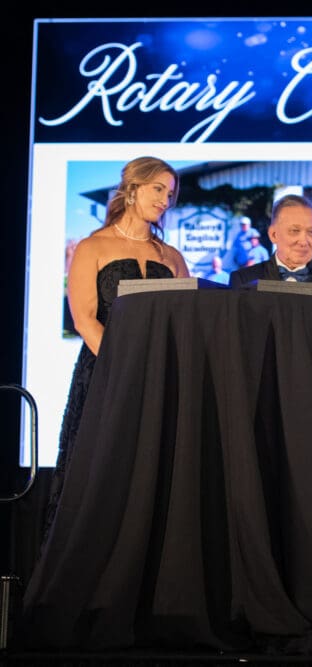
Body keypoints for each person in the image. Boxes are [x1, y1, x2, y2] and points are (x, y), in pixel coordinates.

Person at [43, 156, 189, 543]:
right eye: (158, 189)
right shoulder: (92, 247)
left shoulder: (172, 257)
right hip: (105, 376)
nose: (165, 200)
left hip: (161, 380)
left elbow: (188, 323)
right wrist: (126, 367)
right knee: (99, 474)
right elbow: (84, 318)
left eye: (170, 193)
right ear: (132, 188)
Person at [229, 194, 312, 313]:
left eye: (311, 232)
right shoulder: (243, 281)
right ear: (273, 235)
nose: (304, 241)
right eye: (295, 231)